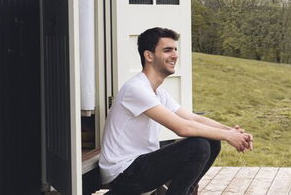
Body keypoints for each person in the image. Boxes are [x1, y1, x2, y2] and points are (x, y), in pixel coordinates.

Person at [99, 27, 253, 195]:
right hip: (123, 172)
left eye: (175, 50)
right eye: (167, 50)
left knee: (211, 141)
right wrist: (228, 136)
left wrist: (231, 131)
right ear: (149, 55)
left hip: (140, 165)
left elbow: (194, 119)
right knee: (198, 146)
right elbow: (182, 128)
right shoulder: (136, 89)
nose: (174, 55)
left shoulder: (157, 92)